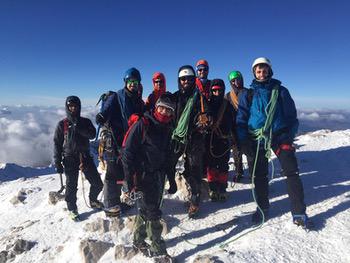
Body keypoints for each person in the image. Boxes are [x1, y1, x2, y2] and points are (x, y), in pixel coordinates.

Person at [236, 57, 308, 226]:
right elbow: (241, 118)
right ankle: (262, 208)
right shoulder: (248, 93)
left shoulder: (281, 91)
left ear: (269, 71)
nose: (262, 74)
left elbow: (291, 117)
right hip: (257, 137)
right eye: (258, 71)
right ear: (254, 72)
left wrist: (289, 137)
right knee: (260, 175)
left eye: (264, 70)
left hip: (280, 135)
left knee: (291, 171)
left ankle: (299, 211)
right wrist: (243, 140)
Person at [121, 93, 176, 261]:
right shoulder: (143, 124)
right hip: (142, 176)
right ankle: (158, 249)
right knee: (153, 212)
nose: (164, 113)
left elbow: (167, 156)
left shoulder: (167, 128)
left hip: (158, 175)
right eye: (161, 108)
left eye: (168, 111)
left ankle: (137, 240)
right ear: (155, 107)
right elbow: (127, 154)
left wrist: (171, 179)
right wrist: (130, 181)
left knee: (145, 210)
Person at [95, 67, 144, 217]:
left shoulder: (139, 101)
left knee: (126, 170)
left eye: (135, 82)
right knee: (113, 174)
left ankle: (120, 201)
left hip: (130, 142)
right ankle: (111, 207)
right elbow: (108, 109)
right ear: (125, 82)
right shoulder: (117, 97)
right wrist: (102, 116)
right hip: (115, 142)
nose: (132, 85)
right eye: (130, 82)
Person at [54, 96, 104, 221]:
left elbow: (92, 135)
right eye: (70, 106)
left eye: (75, 106)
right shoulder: (62, 124)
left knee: (97, 183)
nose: (73, 108)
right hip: (69, 158)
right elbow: (57, 144)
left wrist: (78, 128)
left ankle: (93, 200)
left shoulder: (85, 122)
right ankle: (72, 209)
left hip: (85, 156)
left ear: (79, 107)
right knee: (71, 186)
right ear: (67, 107)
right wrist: (57, 162)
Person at [171, 65, 211, 218]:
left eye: (188, 78)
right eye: (183, 79)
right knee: (167, 164)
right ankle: (159, 196)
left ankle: (195, 199)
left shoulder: (200, 98)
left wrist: (205, 120)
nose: (186, 81)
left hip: (195, 139)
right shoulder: (174, 97)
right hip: (178, 138)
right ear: (179, 81)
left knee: (194, 170)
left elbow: (207, 115)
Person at [207, 79, 235, 201]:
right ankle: (213, 188)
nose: (217, 93)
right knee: (211, 165)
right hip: (211, 140)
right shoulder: (207, 105)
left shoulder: (228, 106)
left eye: (219, 90)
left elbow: (234, 123)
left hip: (224, 140)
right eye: (214, 90)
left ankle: (222, 189)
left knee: (223, 165)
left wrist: (235, 139)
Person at [225, 71, 247, 182]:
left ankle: (254, 172)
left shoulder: (249, 93)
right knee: (236, 150)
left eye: (238, 79)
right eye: (233, 81)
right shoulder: (228, 96)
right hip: (233, 128)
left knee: (249, 151)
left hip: (247, 127)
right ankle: (239, 171)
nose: (236, 82)